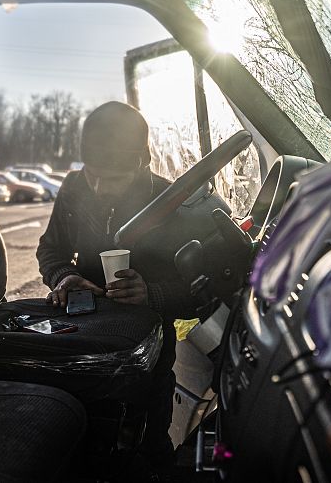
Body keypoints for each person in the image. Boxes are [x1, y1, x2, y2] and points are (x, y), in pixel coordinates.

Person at [36, 101, 197, 476]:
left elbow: (195, 290)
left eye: (113, 179)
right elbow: (50, 248)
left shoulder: (169, 200)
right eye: (94, 176)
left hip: (149, 351)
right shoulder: (75, 187)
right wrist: (63, 276)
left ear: (142, 160)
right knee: (88, 443)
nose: (100, 188)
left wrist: (151, 294)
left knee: (149, 444)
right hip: (86, 335)